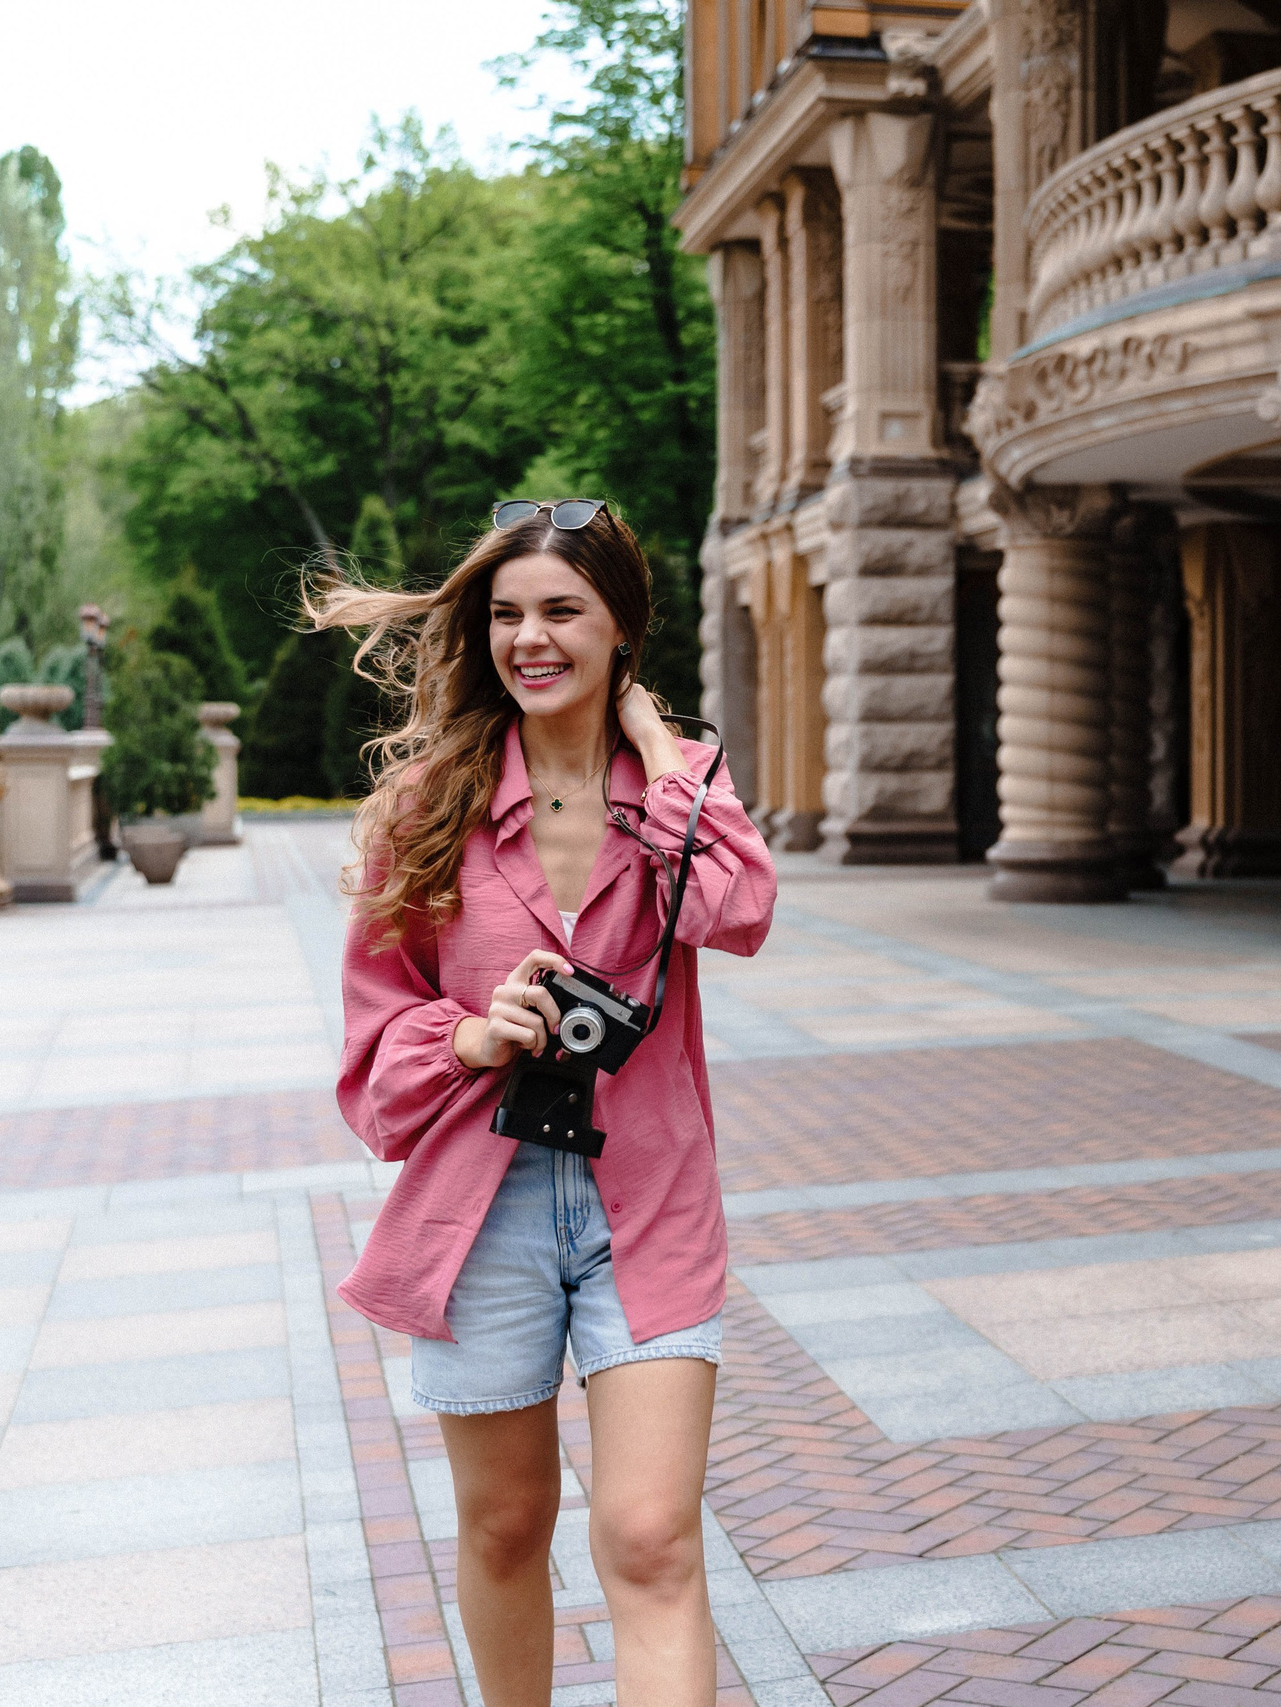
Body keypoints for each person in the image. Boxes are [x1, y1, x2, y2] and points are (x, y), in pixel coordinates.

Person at [320, 499, 774, 1707]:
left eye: (563, 610)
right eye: (507, 613)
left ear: (621, 629)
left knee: (647, 1535)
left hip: (649, 1206)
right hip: (482, 1215)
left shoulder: (677, 788)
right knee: (508, 1527)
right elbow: (370, 1061)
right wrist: (473, 1034)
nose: (530, 637)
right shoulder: (426, 811)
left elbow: (741, 911)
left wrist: (660, 750)